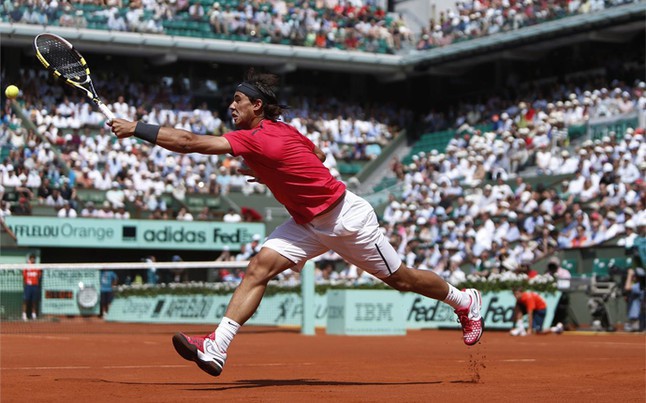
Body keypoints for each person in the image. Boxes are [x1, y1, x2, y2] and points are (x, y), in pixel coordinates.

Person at [109, 68, 484, 378]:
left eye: (237, 100)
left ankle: (464, 300)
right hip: (306, 223)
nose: (231, 106)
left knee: (402, 279)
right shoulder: (283, 131)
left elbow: (189, 142)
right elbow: (317, 153)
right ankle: (216, 347)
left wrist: (136, 127)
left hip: (347, 220)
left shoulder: (258, 138)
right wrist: (277, 173)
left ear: (257, 105)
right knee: (258, 268)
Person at [22, 254, 41, 321]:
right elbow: (24, 277)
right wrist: (25, 285)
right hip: (28, 286)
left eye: (34, 258)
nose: (33, 259)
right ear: (29, 259)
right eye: (31, 258)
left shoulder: (37, 267)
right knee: (26, 300)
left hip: (35, 286)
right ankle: (24, 314)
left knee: (34, 301)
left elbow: (39, 276)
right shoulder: (26, 266)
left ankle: (34, 314)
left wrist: (37, 284)